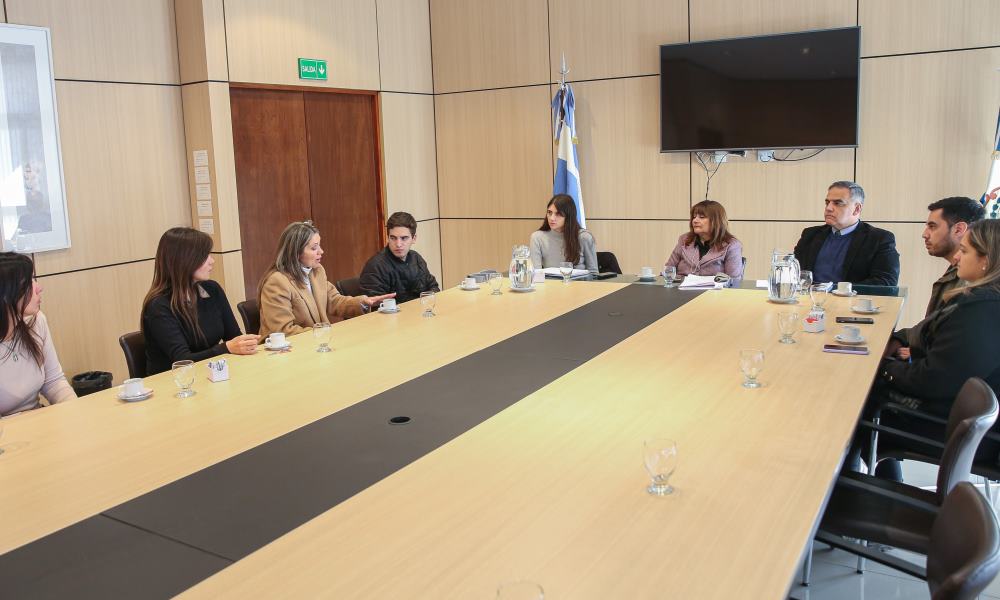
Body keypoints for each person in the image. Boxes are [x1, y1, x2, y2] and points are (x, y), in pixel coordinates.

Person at [856, 219, 1000, 479]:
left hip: (966, 433)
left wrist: (883, 367)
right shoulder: (980, 301)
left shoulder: (983, 310)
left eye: (964, 251)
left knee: (851, 414)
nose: (956, 257)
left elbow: (933, 381)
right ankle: (874, 490)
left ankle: (860, 499)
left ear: (986, 261)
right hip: (961, 421)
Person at [142, 228, 258, 376]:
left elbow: (233, 336)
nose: (212, 261)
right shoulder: (158, 306)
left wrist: (245, 344)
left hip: (208, 375)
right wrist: (226, 348)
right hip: (173, 384)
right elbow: (182, 360)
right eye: (205, 255)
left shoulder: (212, 289)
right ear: (184, 260)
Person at [258, 221, 394, 338]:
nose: (321, 251)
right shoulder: (277, 282)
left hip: (314, 343)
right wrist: (323, 333)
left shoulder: (317, 271)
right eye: (314, 248)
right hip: (284, 354)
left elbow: (334, 301)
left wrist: (363, 302)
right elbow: (284, 331)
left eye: (319, 246)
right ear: (295, 252)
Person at [0, 252, 75, 416]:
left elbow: (54, 382)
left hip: (39, 423)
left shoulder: (36, 321)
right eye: (30, 282)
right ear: (6, 294)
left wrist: (75, 412)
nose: (39, 287)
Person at [793, 181, 899, 286]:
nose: (828, 208)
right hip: (809, 300)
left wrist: (837, 291)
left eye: (838, 203)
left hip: (851, 301)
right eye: (827, 202)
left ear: (857, 209)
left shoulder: (879, 239)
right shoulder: (810, 234)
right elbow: (793, 271)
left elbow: (886, 282)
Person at [359, 212, 440, 303]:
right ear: (387, 238)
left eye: (404, 238)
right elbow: (375, 306)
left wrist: (425, 303)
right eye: (393, 238)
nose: (398, 244)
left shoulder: (416, 258)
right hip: (392, 316)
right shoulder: (375, 266)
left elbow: (433, 287)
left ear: (414, 238)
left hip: (419, 312)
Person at [663, 200, 744, 278]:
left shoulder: (732, 245)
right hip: (680, 289)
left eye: (702, 217)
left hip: (714, 291)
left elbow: (734, 281)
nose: (695, 220)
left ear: (716, 221)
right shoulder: (684, 239)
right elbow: (669, 269)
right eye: (694, 217)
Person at [529, 194, 598, 274]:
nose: (551, 218)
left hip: (579, 285)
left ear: (568, 217)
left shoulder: (584, 237)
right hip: (551, 285)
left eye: (558, 214)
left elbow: (594, 274)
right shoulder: (537, 238)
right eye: (549, 212)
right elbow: (535, 274)